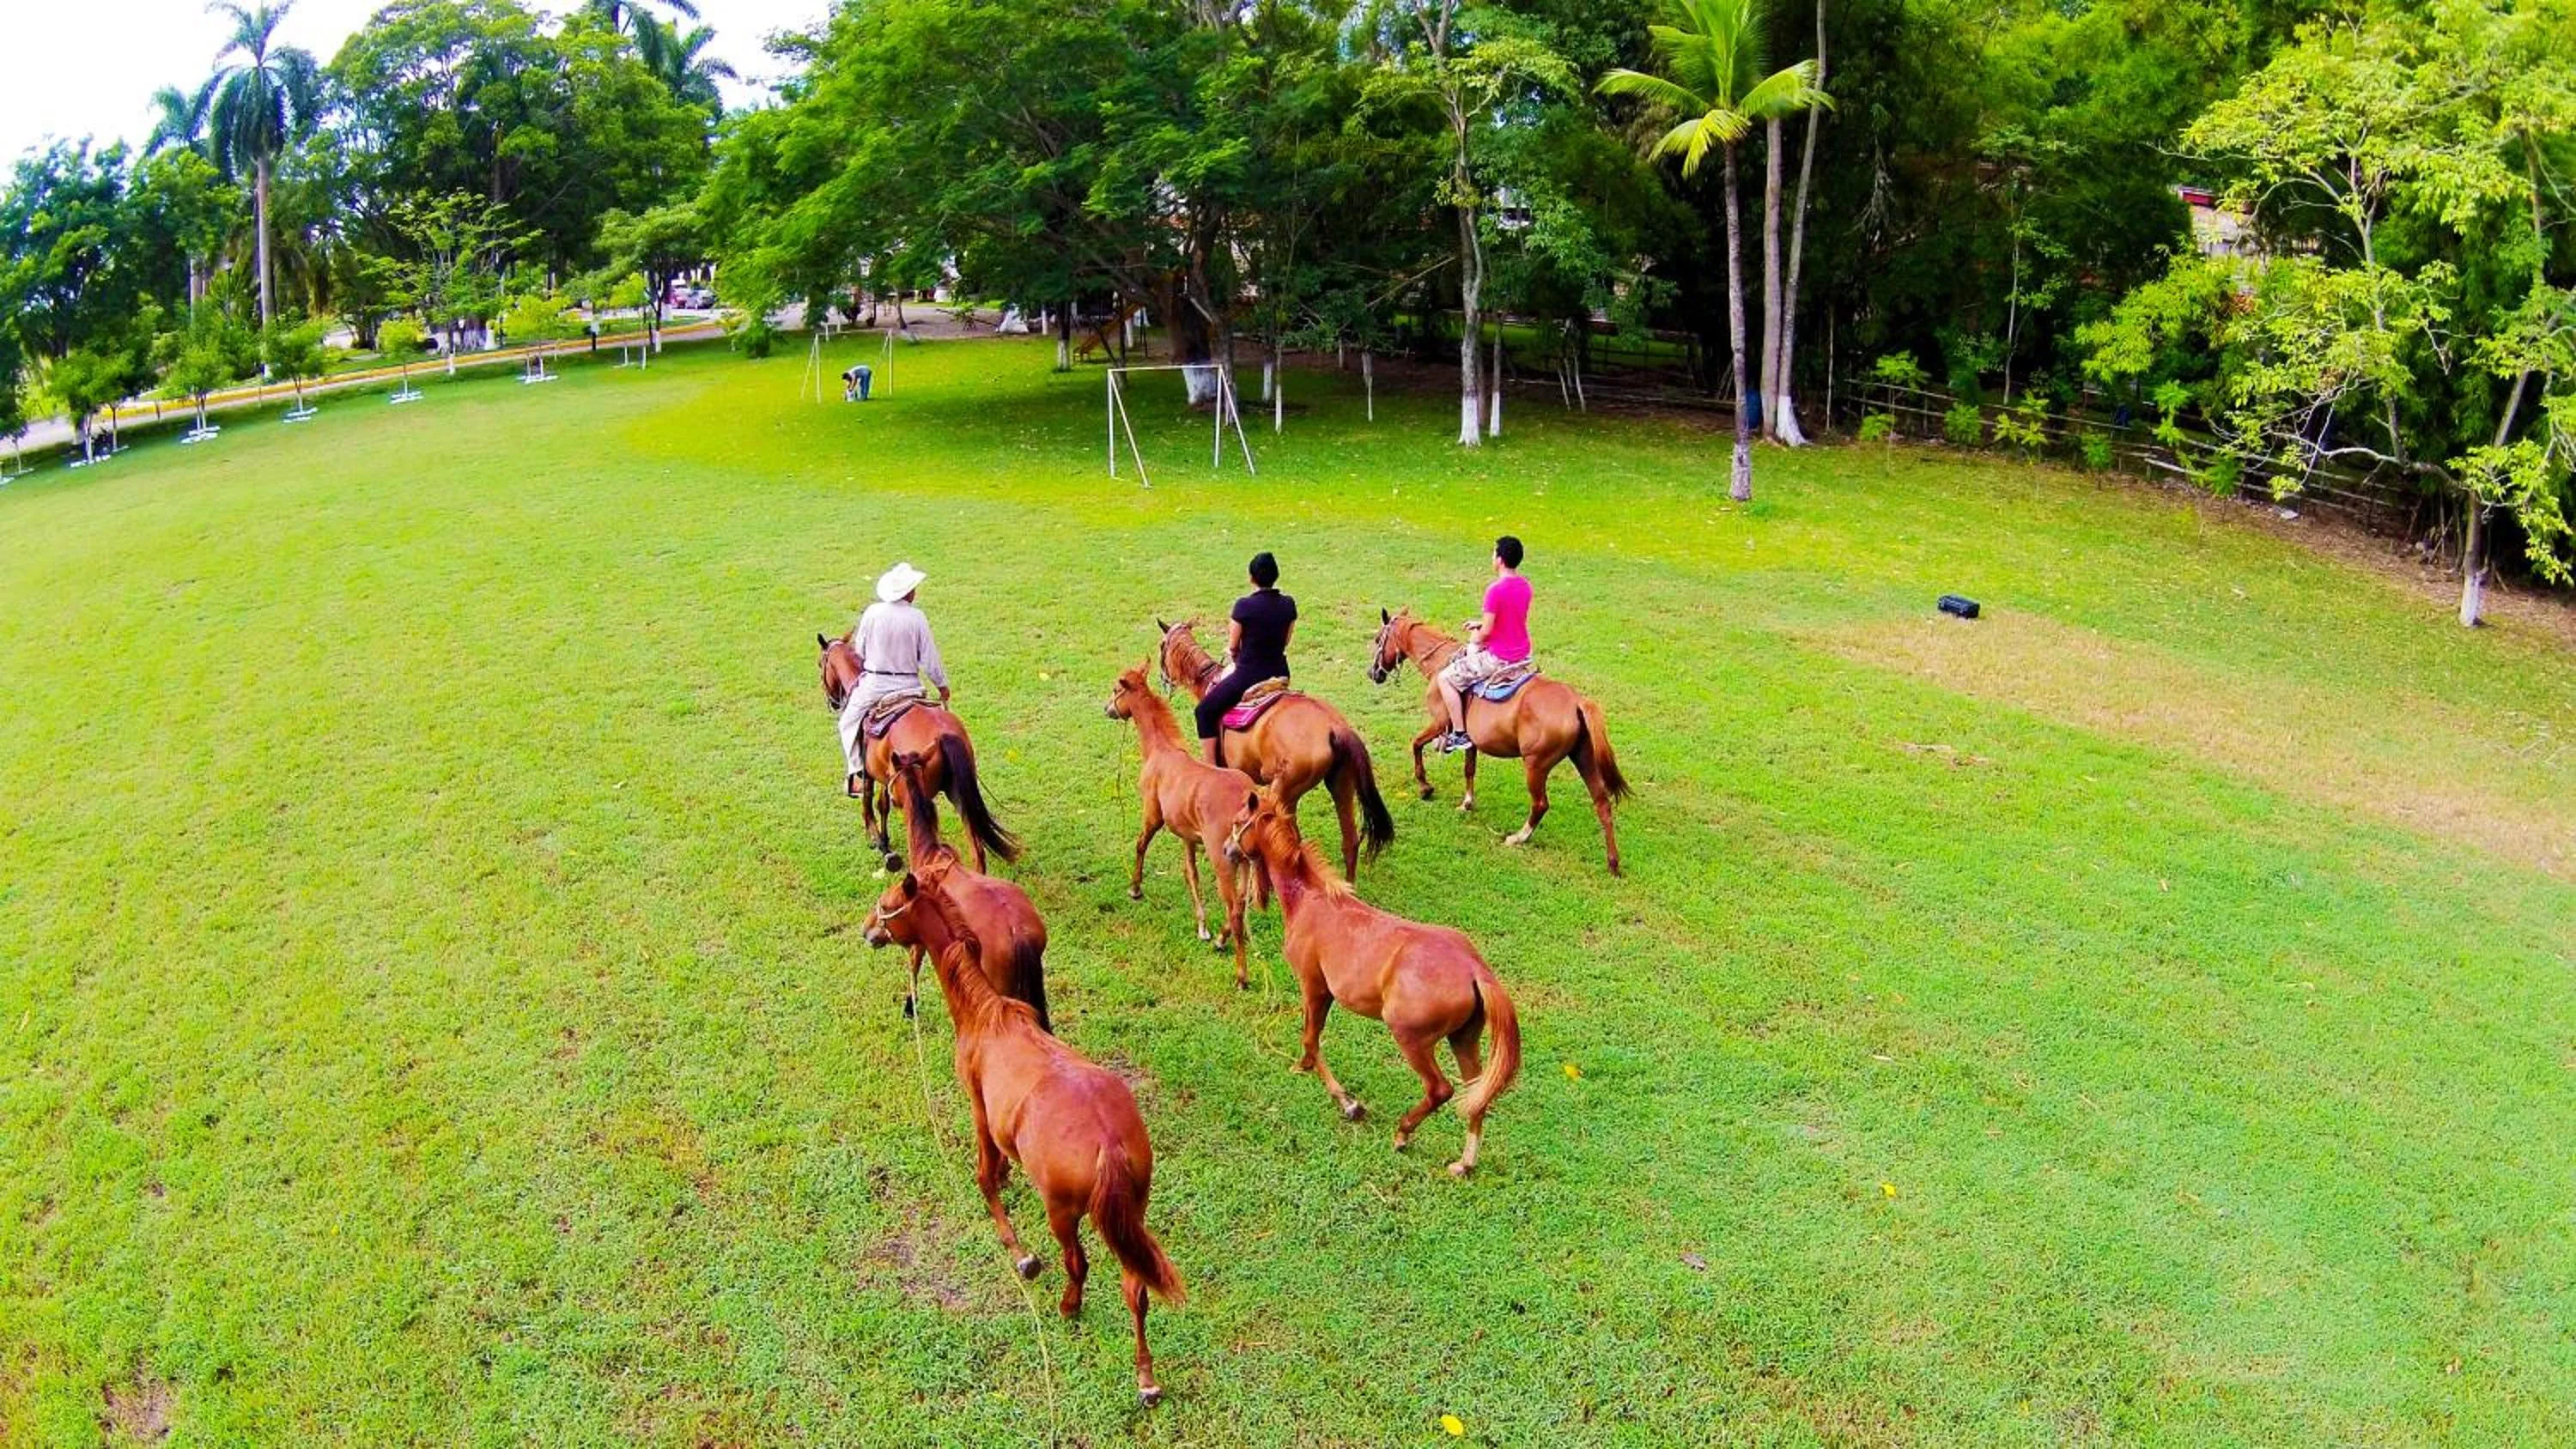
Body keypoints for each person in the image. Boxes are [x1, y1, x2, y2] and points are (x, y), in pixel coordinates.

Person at [838, 561, 950, 795]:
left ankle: (857, 773)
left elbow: (860, 649)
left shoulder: (872, 613)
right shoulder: (917, 617)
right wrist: (942, 685)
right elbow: (929, 658)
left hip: (876, 685)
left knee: (847, 721)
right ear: (908, 592)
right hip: (910, 685)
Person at [1195, 551, 1297, 765]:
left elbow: (1233, 646)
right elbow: (1286, 641)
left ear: (1251, 578)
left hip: (1248, 676)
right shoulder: (1288, 604)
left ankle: (1211, 768)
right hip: (1280, 672)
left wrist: (1234, 653)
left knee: (1204, 711)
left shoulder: (1243, 606)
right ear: (1275, 576)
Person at [1436, 536, 1532, 753]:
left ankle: (1459, 734)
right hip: (1523, 654)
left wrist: (1477, 634)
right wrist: (1482, 624)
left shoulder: (1495, 590)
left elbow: (1487, 632)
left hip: (1499, 658)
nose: (1492, 557)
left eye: (1493, 553)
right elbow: (1512, 617)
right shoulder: (1525, 586)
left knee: (1445, 678)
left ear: (1500, 559)